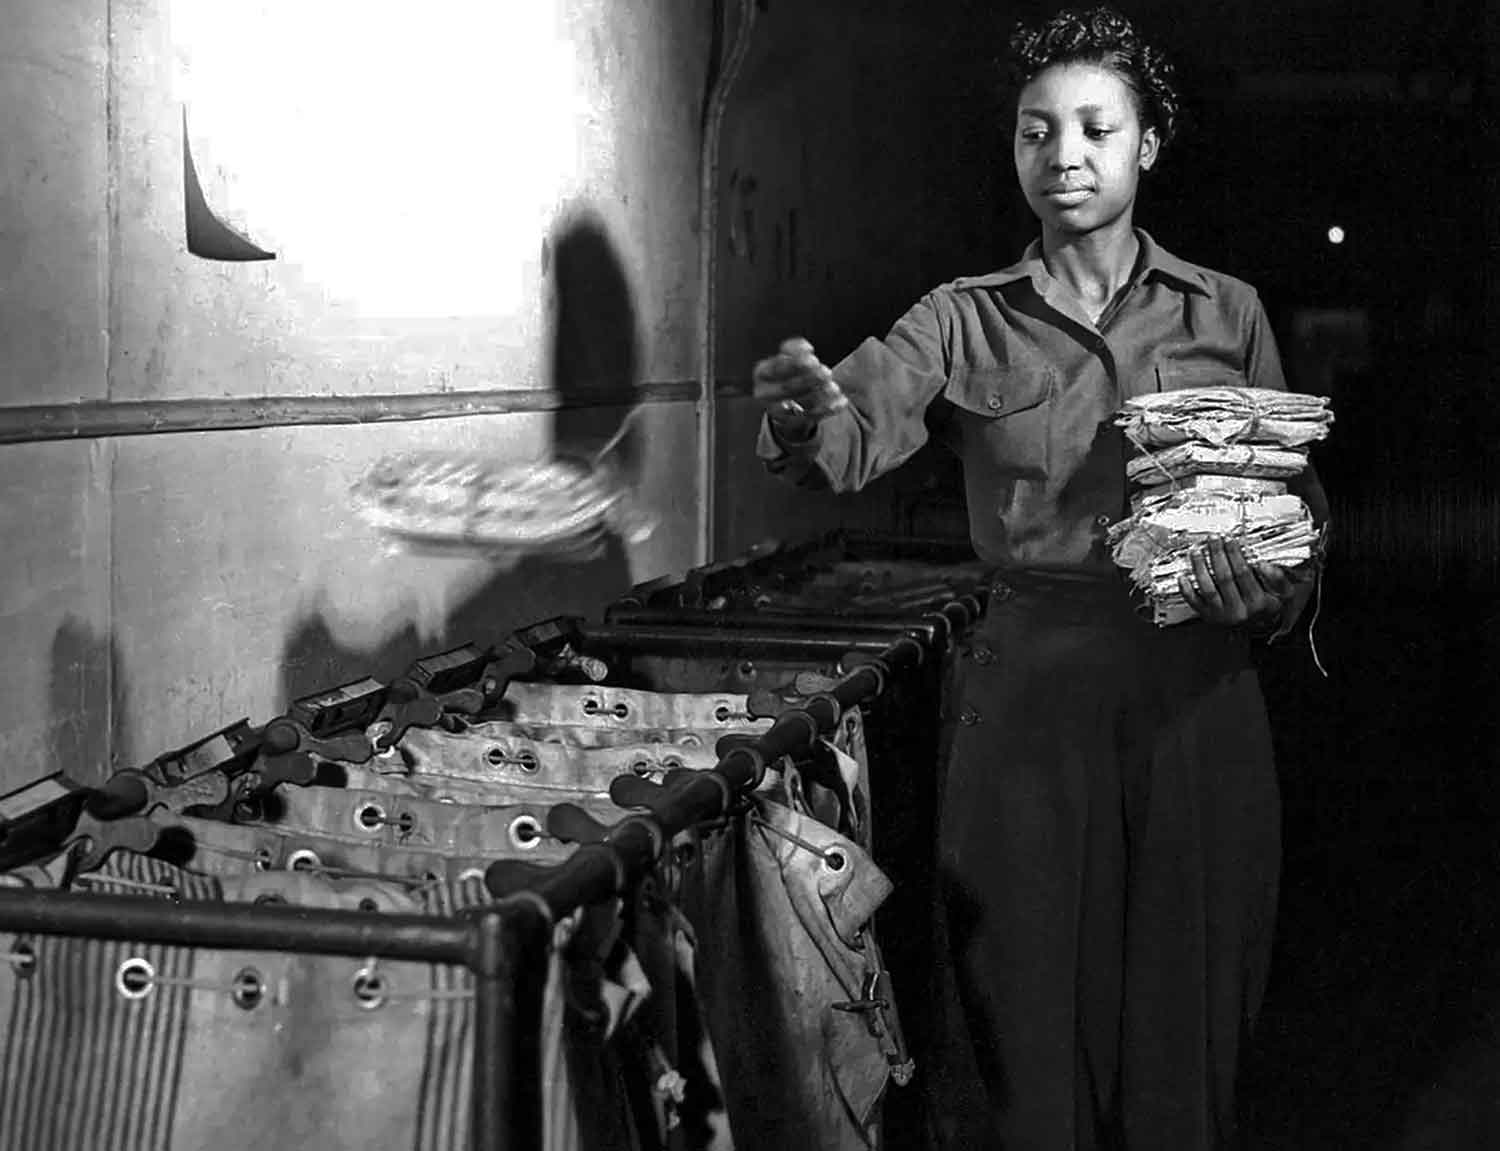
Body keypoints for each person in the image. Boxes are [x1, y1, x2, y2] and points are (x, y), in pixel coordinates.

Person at [751, 6, 1329, 1150]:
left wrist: (1276, 592)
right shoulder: (961, 319)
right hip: (1027, 701)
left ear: (1145, 145)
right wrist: (801, 416)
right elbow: (852, 429)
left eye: (1094, 128)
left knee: (1189, 1009)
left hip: (1198, 691)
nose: (1063, 154)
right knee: (1023, 1011)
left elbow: (1294, 505)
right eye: (1036, 131)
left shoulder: (1229, 311)